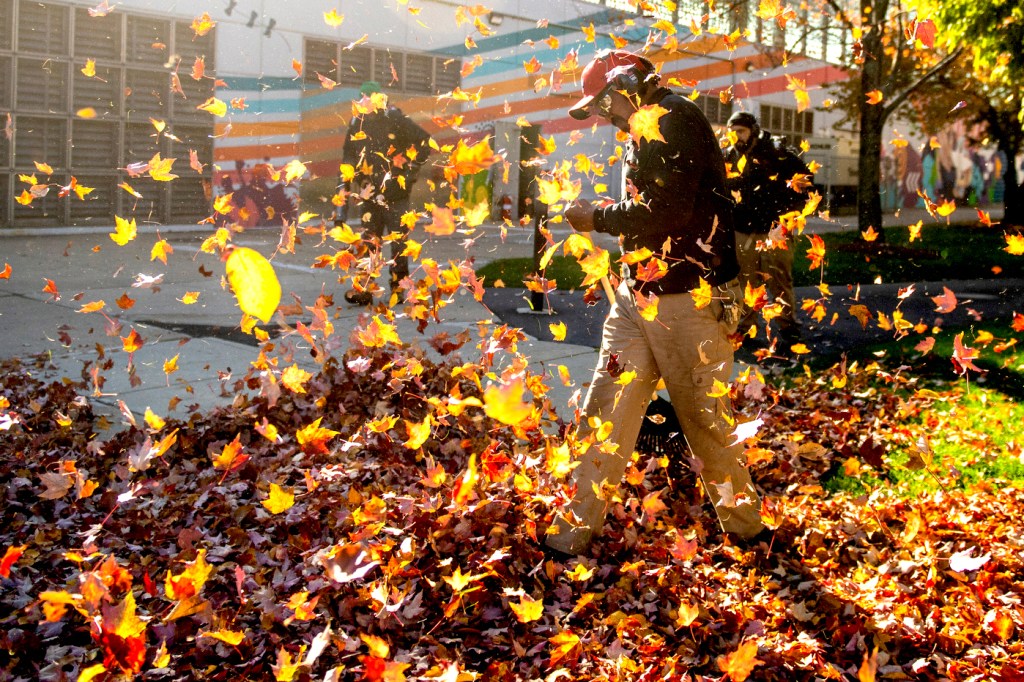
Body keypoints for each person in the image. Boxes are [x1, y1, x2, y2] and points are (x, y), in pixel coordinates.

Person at [545, 50, 767, 556]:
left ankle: (747, 531)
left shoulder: (673, 118)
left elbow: (668, 209)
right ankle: (573, 529)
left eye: (604, 103)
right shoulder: (644, 128)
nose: (603, 115)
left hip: (687, 299)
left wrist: (598, 218)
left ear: (627, 85)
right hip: (636, 297)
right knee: (605, 408)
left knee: (705, 420)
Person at [339, 81, 432, 305]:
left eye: (366, 99)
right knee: (368, 243)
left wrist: (410, 173)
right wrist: (346, 186)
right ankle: (364, 289)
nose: (362, 104)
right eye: (360, 99)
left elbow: (425, 143)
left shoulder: (395, 119)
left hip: (395, 195)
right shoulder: (357, 123)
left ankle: (399, 289)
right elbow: (349, 156)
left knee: (398, 243)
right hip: (369, 192)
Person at [724, 111, 812, 344]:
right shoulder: (729, 157)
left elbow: (805, 182)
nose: (736, 137)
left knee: (779, 281)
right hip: (743, 229)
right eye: (732, 132)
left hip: (776, 230)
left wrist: (790, 217)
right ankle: (746, 330)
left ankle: (788, 329)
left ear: (753, 129)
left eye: (741, 131)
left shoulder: (777, 153)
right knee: (747, 283)